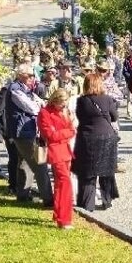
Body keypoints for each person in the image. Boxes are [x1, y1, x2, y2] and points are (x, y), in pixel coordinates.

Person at [5, 64, 54, 207]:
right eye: (30, 75)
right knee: (40, 164)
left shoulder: (27, 90)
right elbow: (32, 108)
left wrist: (41, 104)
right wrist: (40, 106)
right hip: (23, 133)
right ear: (21, 76)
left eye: (33, 76)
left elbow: (41, 101)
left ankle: (22, 195)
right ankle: (48, 199)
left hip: (27, 131)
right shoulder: (15, 89)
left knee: (24, 164)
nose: (33, 78)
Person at [73, 73, 120, 211]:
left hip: (88, 137)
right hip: (107, 136)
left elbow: (80, 116)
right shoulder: (108, 99)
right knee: (106, 170)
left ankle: (87, 204)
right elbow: (114, 117)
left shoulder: (82, 101)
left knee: (87, 172)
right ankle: (107, 200)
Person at [37, 89, 77, 229]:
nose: (63, 106)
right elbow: (50, 135)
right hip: (56, 152)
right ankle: (64, 219)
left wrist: (64, 132)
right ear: (55, 100)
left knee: (61, 184)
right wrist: (66, 132)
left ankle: (59, 214)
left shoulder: (64, 112)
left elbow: (71, 130)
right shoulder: (44, 113)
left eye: (65, 103)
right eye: (61, 103)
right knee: (66, 183)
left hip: (65, 150)